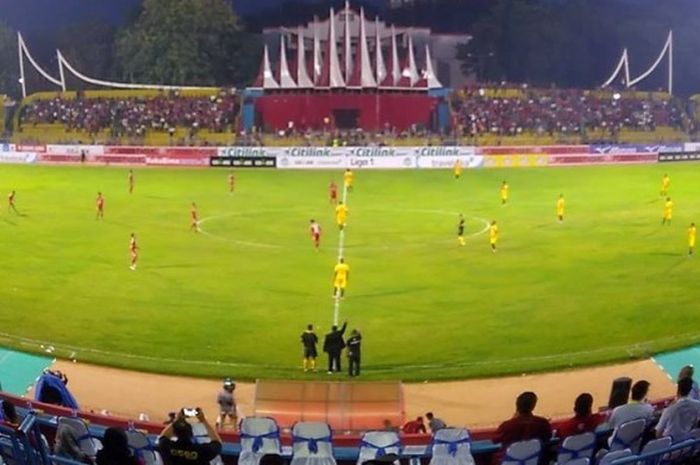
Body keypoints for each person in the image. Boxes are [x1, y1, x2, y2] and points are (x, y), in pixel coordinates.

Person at [494, 392, 552, 465]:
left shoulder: (507, 425)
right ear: (533, 406)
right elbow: (548, 436)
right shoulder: (542, 422)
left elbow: (495, 440)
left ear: (517, 405)